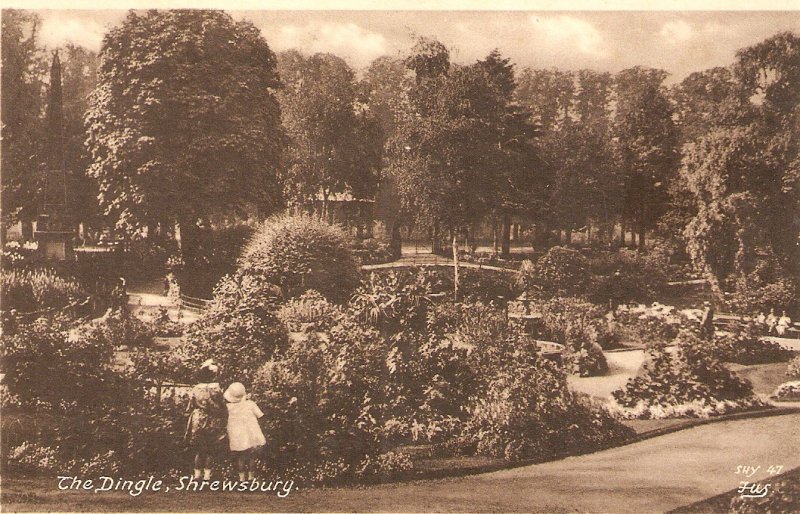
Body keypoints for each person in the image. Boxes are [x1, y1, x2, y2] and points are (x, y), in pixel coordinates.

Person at [184, 360, 226, 481]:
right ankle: (207, 477)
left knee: (199, 449)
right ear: (213, 376)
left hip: (198, 419)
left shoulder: (196, 388)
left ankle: (197, 476)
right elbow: (222, 404)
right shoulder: (216, 388)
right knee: (210, 450)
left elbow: (190, 405)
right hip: (212, 419)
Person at [224, 382, 266, 482]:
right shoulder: (251, 404)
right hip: (251, 432)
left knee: (241, 456)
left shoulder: (228, 407)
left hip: (237, 434)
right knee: (252, 456)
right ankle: (251, 478)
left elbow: (224, 419)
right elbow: (261, 416)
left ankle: (242, 479)